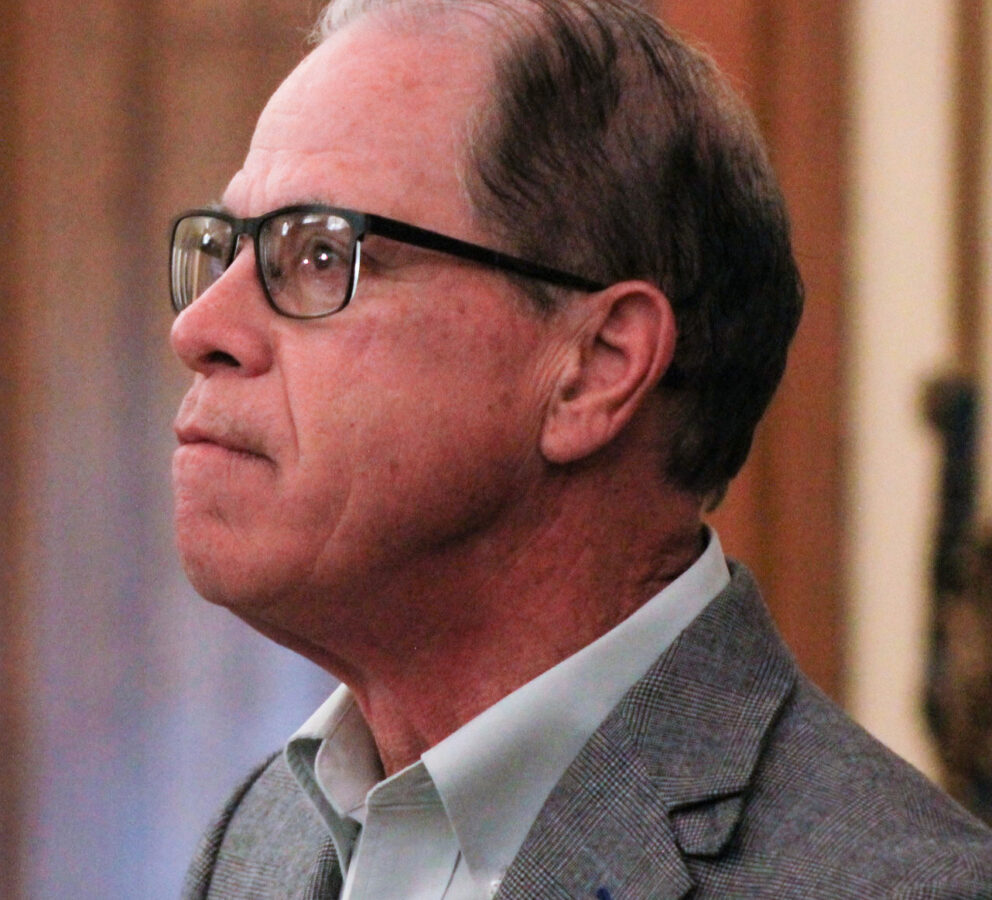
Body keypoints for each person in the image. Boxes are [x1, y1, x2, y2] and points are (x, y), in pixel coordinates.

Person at [165, 0, 992, 897]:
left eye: (321, 255)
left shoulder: (897, 883)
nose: (202, 327)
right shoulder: (261, 836)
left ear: (595, 367)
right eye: (228, 250)